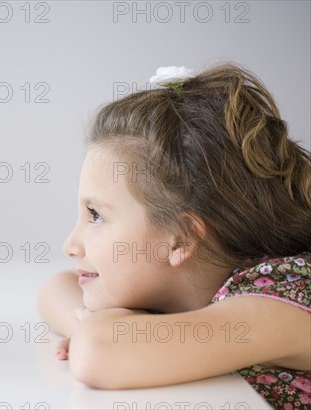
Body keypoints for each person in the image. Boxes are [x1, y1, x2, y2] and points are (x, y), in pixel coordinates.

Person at [37, 63, 311, 409]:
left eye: (96, 215)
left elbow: (98, 352)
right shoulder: (175, 287)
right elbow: (54, 290)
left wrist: (96, 330)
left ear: (180, 239)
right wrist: (89, 322)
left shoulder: (283, 299)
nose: (70, 245)